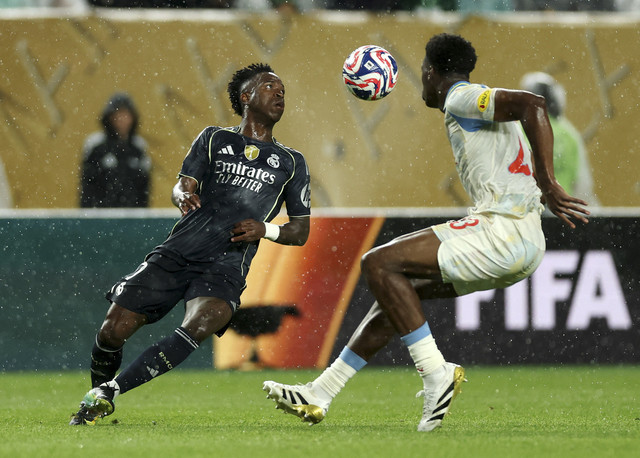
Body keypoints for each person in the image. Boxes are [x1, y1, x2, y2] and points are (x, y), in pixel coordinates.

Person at [263, 33, 589, 432]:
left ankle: (436, 374)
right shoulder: (469, 105)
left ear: (432, 72)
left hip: (503, 230)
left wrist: (547, 181)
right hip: (521, 241)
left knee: (378, 263)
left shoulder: (460, 97)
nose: (421, 79)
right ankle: (322, 391)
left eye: (422, 71)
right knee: (398, 292)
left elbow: (532, 104)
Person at [69, 63, 311, 425]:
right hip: (179, 251)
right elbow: (183, 184)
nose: (280, 94)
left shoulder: (292, 162)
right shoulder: (213, 138)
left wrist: (266, 229)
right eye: (270, 87)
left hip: (225, 266)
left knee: (200, 324)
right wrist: (182, 194)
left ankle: (109, 394)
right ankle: (94, 403)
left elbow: (300, 231)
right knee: (112, 330)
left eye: (283, 91)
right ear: (246, 98)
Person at [520, 72, 599, 205]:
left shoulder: (517, 129)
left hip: (524, 212)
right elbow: (583, 184)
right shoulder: (569, 134)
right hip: (561, 212)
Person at [80, 92, 151, 208]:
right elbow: (87, 188)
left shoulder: (139, 148)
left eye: (126, 115)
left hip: (132, 220)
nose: (122, 120)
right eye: (118, 115)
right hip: (100, 218)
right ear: (109, 117)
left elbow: (144, 190)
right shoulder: (96, 147)